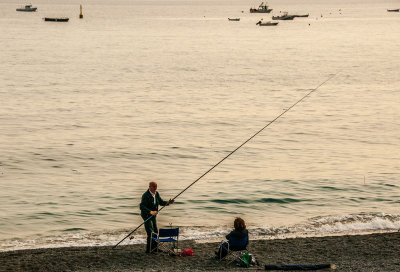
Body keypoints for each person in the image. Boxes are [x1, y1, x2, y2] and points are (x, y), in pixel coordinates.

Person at [140, 181, 174, 253]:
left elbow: (161, 202)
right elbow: (142, 206)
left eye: (156, 186)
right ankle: (148, 250)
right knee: (150, 232)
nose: (155, 188)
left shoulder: (156, 194)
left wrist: (168, 203)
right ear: (150, 187)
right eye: (154, 186)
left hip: (153, 216)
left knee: (155, 231)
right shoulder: (145, 195)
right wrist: (150, 212)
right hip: (146, 216)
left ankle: (155, 248)